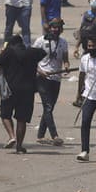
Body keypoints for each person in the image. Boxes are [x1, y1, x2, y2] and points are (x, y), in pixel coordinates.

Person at [0, 34, 45, 153]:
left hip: (10, 90)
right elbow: (42, 53)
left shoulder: (9, 53)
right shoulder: (30, 53)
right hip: (27, 91)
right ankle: (19, 146)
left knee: (5, 115)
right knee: (22, 119)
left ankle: (12, 136)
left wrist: (4, 51)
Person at [33, 18, 69, 146]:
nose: (56, 30)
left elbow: (65, 59)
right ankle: (55, 135)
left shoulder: (63, 43)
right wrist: (40, 71)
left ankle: (40, 136)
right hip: (43, 78)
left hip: (56, 78)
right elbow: (31, 60)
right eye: (53, 27)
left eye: (58, 28)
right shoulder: (40, 41)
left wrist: (66, 66)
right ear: (49, 28)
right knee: (47, 107)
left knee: (49, 108)